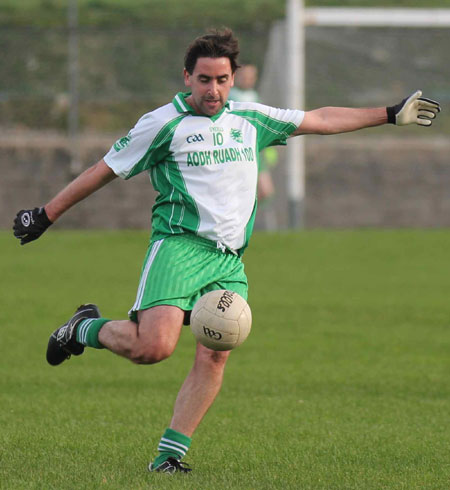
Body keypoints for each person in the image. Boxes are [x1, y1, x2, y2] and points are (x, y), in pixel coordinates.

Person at [12, 28, 440, 475]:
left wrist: (390, 114)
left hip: (229, 259)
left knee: (216, 350)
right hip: (179, 248)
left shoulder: (251, 118)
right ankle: (83, 328)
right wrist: (46, 214)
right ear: (186, 78)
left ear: (233, 77)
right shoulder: (162, 123)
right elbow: (104, 170)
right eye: (203, 79)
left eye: (220, 79)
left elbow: (321, 119)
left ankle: (168, 457)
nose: (212, 89)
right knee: (153, 348)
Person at [229, 64, 278, 207]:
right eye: (244, 76)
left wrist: (269, 146)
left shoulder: (254, 96)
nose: (247, 79)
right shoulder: (230, 96)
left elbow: (261, 123)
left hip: (256, 148)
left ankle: (242, 217)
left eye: (251, 76)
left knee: (266, 191)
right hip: (237, 148)